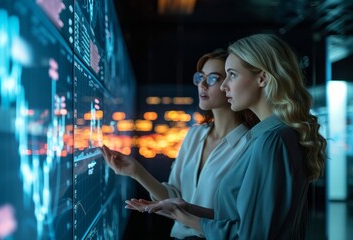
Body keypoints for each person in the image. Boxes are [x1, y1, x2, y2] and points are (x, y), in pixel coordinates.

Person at [125, 34, 327, 239]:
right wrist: (186, 208)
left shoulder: (271, 140)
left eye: (231, 75)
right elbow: (244, 219)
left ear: (262, 78)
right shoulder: (269, 136)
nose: (223, 86)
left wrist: (186, 218)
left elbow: (253, 234)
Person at [101, 49, 259, 239]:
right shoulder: (194, 135)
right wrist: (136, 172)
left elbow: (243, 219)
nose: (201, 84)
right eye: (200, 77)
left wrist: (183, 212)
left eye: (212, 78)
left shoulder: (250, 145)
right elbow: (173, 195)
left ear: (229, 84)